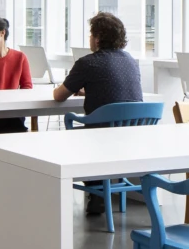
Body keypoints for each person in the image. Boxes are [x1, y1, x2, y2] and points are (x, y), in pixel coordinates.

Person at [54, 11, 143, 215]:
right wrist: (91, 89)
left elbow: (59, 96)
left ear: (98, 37)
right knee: (98, 130)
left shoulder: (87, 62)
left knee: (81, 133)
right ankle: (102, 192)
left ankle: (96, 192)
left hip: (101, 141)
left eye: (91, 34)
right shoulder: (131, 61)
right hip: (134, 138)